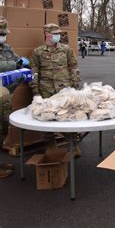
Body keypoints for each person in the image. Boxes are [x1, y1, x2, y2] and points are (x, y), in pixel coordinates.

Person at [30, 23, 81, 154]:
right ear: (47, 34)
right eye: (55, 34)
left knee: (69, 117)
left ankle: (73, 146)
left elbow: (73, 67)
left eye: (59, 33)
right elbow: (34, 72)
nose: (58, 36)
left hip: (65, 89)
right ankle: (51, 147)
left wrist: (76, 85)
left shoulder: (66, 50)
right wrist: (35, 91)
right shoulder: (38, 52)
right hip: (46, 90)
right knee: (47, 119)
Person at [0, 17, 22, 178]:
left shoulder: (6, 48)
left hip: (4, 96)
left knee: (3, 128)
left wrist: (21, 64)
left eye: (3, 33)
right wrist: (16, 66)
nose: (3, 36)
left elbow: (17, 59)